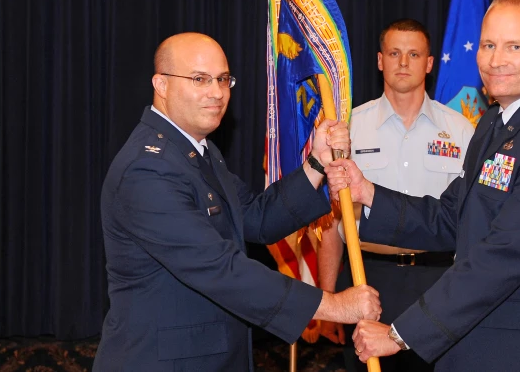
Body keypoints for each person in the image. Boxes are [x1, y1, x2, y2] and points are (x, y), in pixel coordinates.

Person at [325, 0, 520, 372]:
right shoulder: (495, 124)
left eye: (515, 46)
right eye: (489, 45)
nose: (496, 60)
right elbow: (451, 218)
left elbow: (502, 257)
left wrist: (399, 333)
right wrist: (368, 193)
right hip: (480, 342)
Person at [93, 32, 381, 372]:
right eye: (199, 79)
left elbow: (256, 218)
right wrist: (331, 305)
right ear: (162, 84)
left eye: (223, 79)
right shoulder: (148, 168)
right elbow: (218, 268)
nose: (216, 93)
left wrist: (316, 164)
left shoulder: (200, 152)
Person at [319, 19, 475, 372]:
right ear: (379, 60)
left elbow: (471, 218)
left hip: (438, 282)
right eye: (394, 53)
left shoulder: (462, 131)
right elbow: (330, 217)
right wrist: (329, 297)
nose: (403, 63)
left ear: (430, 63)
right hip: (368, 279)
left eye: (414, 54)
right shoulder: (349, 128)